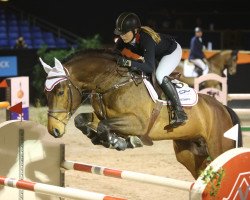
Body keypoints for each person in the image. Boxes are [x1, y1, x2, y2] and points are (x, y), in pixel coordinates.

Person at [114, 12, 187, 128]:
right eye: (120, 33)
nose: (122, 36)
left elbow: (149, 67)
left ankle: (180, 112)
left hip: (171, 51)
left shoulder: (145, 38)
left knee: (159, 75)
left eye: (124, 33)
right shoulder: (122, 41)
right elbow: (114, 56)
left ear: (135, 30)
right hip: (156, 54)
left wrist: (128, 62)